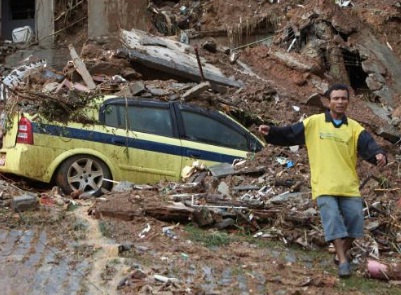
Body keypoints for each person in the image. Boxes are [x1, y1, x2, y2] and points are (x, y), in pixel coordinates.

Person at [258, 84, 387, 278]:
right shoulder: (314, 122)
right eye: (336, 98)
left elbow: (369, 145)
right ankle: (343, 261)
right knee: (332, 218)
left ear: (348, 102)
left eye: (344, 98)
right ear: (329, 101)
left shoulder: (353, 128)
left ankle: (341, 251)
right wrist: (272, 132)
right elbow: (290, 133)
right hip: (324, 183)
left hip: (347, 184)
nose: (340, 102)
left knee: (356, 221)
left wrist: (378, 155)